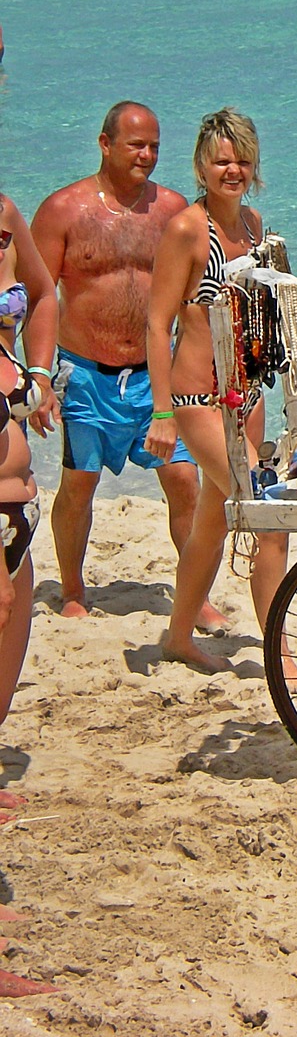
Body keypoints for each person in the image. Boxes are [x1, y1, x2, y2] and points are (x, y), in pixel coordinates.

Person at [31, 101, 227, 632]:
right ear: (104, 144)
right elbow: (39, 299)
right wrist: (39, 377)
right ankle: (72, 589)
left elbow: (198, 301)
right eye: (136, 145)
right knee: (79, 484)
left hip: (154, 376)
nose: (147, 155)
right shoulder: (62, 210)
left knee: (186, 481)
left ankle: (193, 597)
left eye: (156, 146)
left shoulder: (173, 211)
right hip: (86, 375)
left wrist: (209, 378)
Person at [144, 109, 288, 674]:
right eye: (222, 160)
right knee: (267, 511)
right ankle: (280, 657)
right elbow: (157, 324)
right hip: (196, 401)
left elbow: (278, 312)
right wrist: (160, 412)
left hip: (246, 397)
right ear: (202, 166)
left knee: (212, 517)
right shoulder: (186, 229)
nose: (233, 169)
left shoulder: (254, 225)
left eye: (243, 159)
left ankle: (178, 636)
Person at [0, 189, 58, 820]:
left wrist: (38, 375)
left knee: (11, 633)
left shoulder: (5, 213)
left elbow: (44, 296)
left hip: (21, 498)